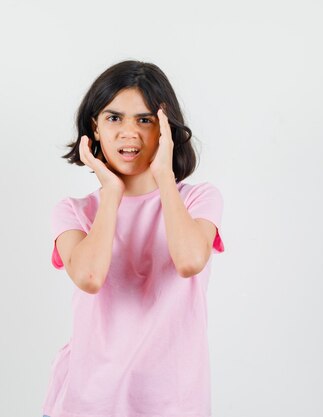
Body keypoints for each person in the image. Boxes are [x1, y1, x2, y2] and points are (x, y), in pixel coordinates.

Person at [42, 60, 225, 417]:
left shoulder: (197, 200)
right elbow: (89, 277)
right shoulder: (73, 211)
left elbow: (189, 261)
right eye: (114, 118)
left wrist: (164, 177)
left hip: (173, 405)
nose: (129, 132)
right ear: (94, 127)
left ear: (165, 129)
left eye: (144, 120)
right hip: (86, 402)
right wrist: (111, 193)